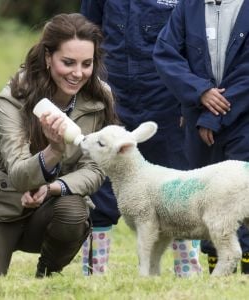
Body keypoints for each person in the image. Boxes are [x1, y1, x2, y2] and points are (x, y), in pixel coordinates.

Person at [0, 13, 118, 278]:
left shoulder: (100, 97)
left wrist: (51, 188)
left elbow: (95, 170)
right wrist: (54, 150)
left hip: (50, 208)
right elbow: (17, 174)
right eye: (68, 62)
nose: (78, 73)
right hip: (0, 207)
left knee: (73, 209)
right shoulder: (13, 96)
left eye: (87, 63)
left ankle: (47, 274)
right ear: (48, 58)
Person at [81, 0, 202, 277]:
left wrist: (189, 98)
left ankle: (188, 273)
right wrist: (91, 92)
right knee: (99, 185)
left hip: (167, 98)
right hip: (111, 94)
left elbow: (196, 44)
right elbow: (88, 31)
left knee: (178, 186)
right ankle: (93, 273)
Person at [153, 0, 249, 274]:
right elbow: (165, 53)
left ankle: (245, 273)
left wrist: (213, 115)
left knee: (243, 195)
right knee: (208, 197)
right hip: (198, 119)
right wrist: (200, 92)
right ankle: (217, 273)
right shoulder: (187, 7)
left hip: (243, 115)